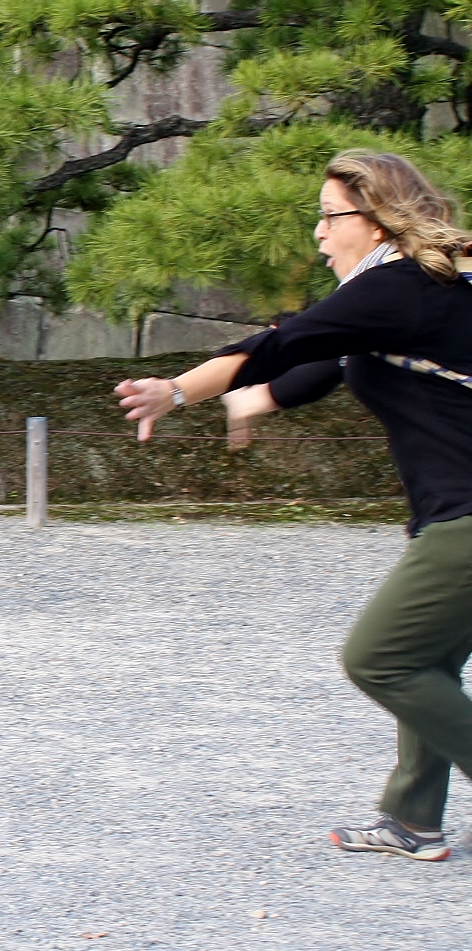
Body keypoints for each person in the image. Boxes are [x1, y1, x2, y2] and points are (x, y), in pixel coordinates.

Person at [116, 150, 472, 861]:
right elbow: (324, 360)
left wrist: (177, 389)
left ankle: (414, 817)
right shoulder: (425, 285)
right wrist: (261, 397)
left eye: (328, 215)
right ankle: (413, 819)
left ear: (372, 221)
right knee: (426, 658)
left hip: (464, 521)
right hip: (449, 513)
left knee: (380, 659)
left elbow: (278, 343)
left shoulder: (397, 287)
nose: (316, 231)